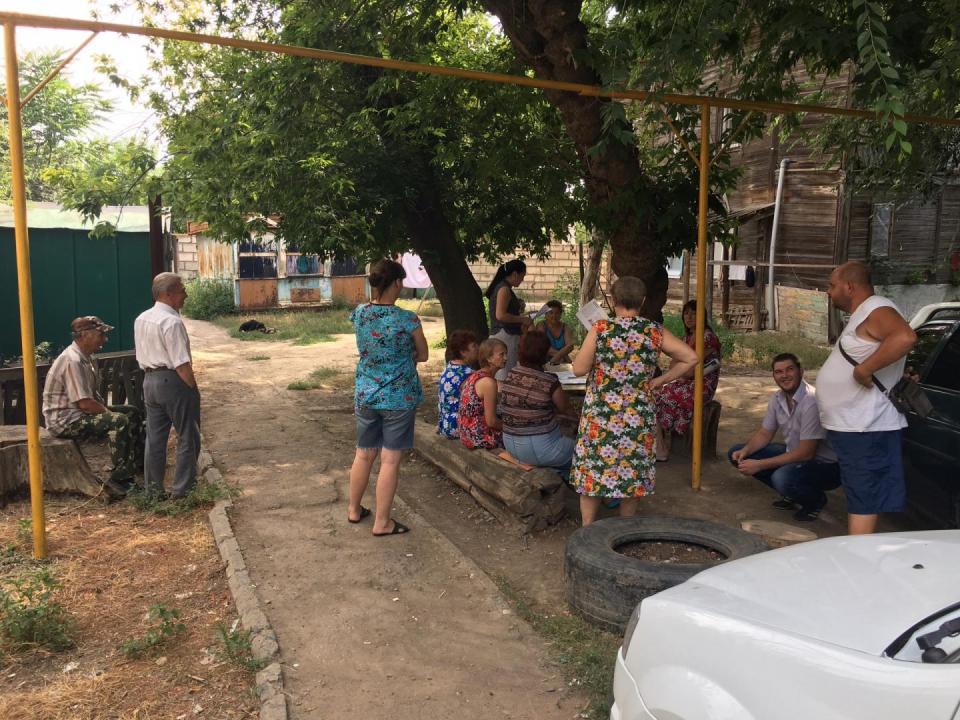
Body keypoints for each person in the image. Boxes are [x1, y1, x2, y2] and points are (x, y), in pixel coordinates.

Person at [570, 277, 698, 525]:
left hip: (601, 414)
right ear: (643, 301)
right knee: (632, 473)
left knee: (593, 471)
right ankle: (625, 527)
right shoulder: (653, 331)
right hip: (637, 414)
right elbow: (691, 358)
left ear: (613, 299)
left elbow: (579, 369)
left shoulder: (601, 329)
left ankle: (587, 529)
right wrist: (661, 380)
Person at [817, 261, 917, 535]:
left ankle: (859, 556)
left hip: (866, 426)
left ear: (850, 287)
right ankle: (861, 550)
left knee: (865, 497)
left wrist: (864, 369)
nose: (829, 292)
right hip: (857, 426)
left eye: (832, 286)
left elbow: (905, 337)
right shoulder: (864, 313)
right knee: (861, 494)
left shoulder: (876, 307)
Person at [348, 258, 429, 536]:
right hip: (398, 398)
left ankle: (354, 509)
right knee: (390, 460)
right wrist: (407, 356)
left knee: (363, 454)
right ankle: (382, 522)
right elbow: (424, 354)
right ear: (396, 282)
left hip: (366, 393)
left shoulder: (359, 313)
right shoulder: (408, 319)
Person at [727, 353, 841, 522]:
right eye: (779, 372)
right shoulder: (777, 398)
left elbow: (806, 453)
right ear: (774, 376)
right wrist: (746, 450)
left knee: (781, 477)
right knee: (736, 453)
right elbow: (765, 433)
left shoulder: (811, 401)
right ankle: (792, 492)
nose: (784, 375)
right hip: (795, 455)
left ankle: (815, 501)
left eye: (789, 369)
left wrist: (759, 465)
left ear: (801, 371)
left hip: (826, 466)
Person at [42, 316, 144, 495]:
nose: (105, 339)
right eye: (101, 335)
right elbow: (85, 404)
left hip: (78, 413)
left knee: (132, 412)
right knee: (119, 421)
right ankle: (121, 480)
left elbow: (90, 398)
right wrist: (107, 412)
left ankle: (137, 465)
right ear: (84, 335)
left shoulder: (87, 358)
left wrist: (105, 410)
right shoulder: (72, 361)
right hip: (65, 422)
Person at [134, 273, 201, 500]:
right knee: (188, 435)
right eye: (182, 290)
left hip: (149, 382)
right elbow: (181, 363)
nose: (185, 295)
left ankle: (153, 492)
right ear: (169, 294)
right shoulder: (172, 322)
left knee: (155, 439)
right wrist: (192, 388)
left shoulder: (141, 318)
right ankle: (183, 491)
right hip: (172, 381)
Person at [499, 330, 576, 477]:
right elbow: (566, 409)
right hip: (541, 449)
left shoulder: (512, 374)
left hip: (509, 445)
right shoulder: (549, 381)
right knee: (585, 451)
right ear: (544, 353)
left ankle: (561, 475)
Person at [655, 299, 722, 461]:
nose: (689, 317)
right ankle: (659, 444)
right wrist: (682, 368)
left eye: (694, 313)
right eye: (686, 313)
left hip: (701, 385)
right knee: (655, 395)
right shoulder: (686, 338)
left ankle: (660, 447)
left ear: (702, 316)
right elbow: (673, 366)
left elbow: (690, 371)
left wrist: (682, 368)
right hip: (684, 383)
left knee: (663, 397)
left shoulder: (707, 338)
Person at [485, 259, 531, 380]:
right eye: (522, 276)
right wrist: (522, 319)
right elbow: (500, 315)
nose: (522, 280)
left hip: (503, 334)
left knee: (504, 373)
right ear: (515, 274)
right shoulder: (504, 289)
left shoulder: (503, 287)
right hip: (505, 335)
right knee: (505, 374)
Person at [458, 338, 506, 450]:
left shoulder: (475, 375)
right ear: (489, 358)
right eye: (502, 354)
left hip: (466, 432)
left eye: (506, 354)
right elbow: (491, 422)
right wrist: (513, 429)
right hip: (477, 437)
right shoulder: (488, 383)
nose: (506, 358)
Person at [437, 330, 479, 438]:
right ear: (463, 352)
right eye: (474, 346)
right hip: (457, 426)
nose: (478, 348)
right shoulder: (468, 374)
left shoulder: (449, 367)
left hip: (444, 423)